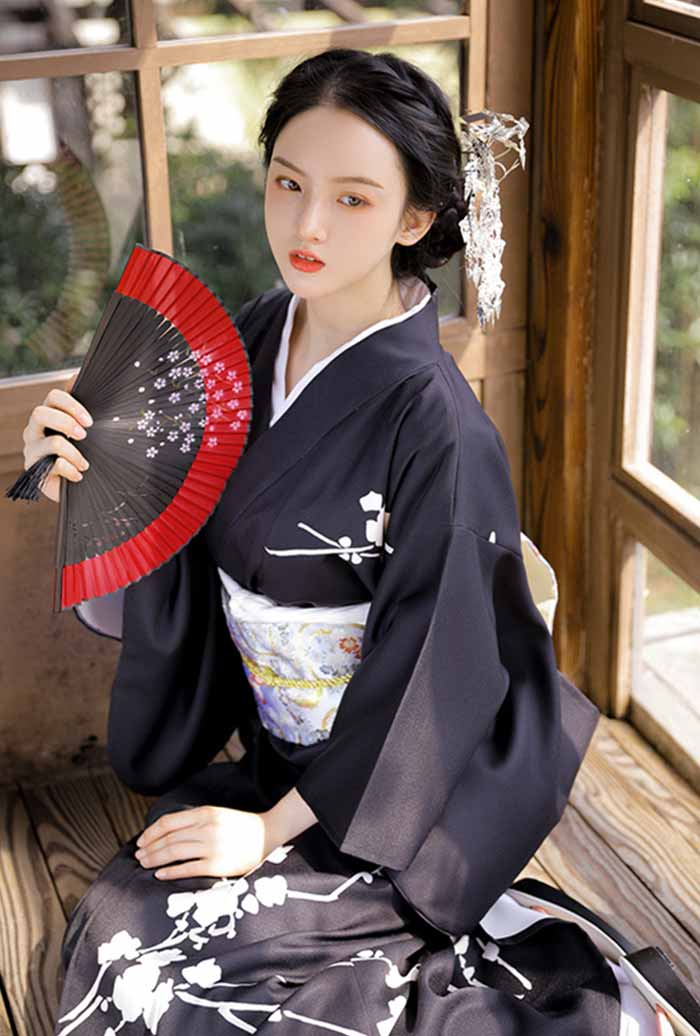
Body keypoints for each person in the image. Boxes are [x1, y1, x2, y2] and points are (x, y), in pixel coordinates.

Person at [20, 47, 687, 1036]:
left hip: (405, 787)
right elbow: (164, 512)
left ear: (416, 220)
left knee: (214, 999)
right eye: (287, 183)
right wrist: (75, 460)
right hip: (285, 758)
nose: (308, 224)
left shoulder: (440, 430)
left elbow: (440, 673)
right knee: (125, 941)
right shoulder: (245, 340)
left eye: (354, 198)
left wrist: (270, 830)